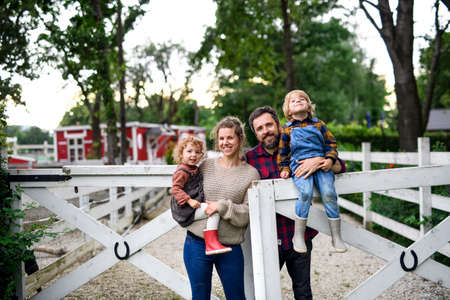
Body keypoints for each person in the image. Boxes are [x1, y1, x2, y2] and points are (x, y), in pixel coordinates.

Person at [246, 106, 345, 300]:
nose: (266, 130)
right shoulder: (250, 159)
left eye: (269, 124)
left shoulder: (299, 146)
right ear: (256, 133)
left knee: (303, 291)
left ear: (278, 124)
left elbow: (341, 166)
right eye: (260, 128)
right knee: (264, 291)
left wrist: (319, 160)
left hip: (298, 235)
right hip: (268, 238)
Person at [183, 116, 260, 300]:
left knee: (236, 297)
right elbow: (184, 189)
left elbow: (248, 213)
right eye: (221, 138)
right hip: (197, 243)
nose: (225, 142)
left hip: (229, 246)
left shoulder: (251, 173)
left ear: (240, 139)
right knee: (200, 296)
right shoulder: (205, 166)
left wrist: (222, 207)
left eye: (230, 138)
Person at [278, 90, 347, 254]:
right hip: (299, 164)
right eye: (293, 101)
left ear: (309, 106)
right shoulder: (286, 130)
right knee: (306, 193)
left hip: (322, 162)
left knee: (329, 192)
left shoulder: (319, 124)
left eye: (302, 99)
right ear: (288, 110)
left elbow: (331, 143)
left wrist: (330, 160)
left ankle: (336, 235)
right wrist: (285, 168)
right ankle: (299, 235)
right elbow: (283, 153)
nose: (298, 101)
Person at [170, 135, 231, 255]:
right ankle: (211, 243)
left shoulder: (194, 168)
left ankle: (211, 242)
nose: (193, 155)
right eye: (189, 151)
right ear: (181, 153)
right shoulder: (182, 171)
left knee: (213, 208)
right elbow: (175, 189)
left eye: (197, 152)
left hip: (191, 206)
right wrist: (189, 200)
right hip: (184, 208)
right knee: (214, 210)